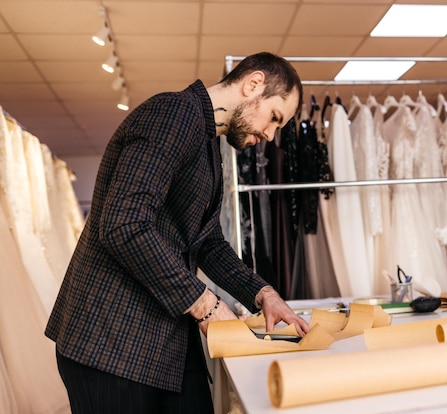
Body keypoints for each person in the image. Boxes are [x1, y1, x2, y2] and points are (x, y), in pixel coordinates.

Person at [45, 51, 310, 414]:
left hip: (162, 333)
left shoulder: (205, 140)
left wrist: (263, 294)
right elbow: (123, 223)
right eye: (274, 118)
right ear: (253, 84)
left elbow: (208, 242)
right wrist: (207, 305)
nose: (269, 134)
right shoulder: (172, 114)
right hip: (111, 341)